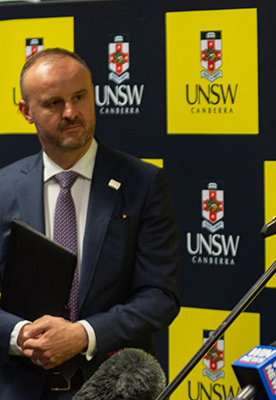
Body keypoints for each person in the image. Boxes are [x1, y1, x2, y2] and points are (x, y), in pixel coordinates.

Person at [0, 48, 180, 399]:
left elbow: (160, 296)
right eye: (54, 103)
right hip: (21, 388)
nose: (71, 112)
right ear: (26, 112)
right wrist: (19, 335)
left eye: (79, 97)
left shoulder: (143, 183)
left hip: (112, 387)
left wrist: (83, 334)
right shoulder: (3, 188)